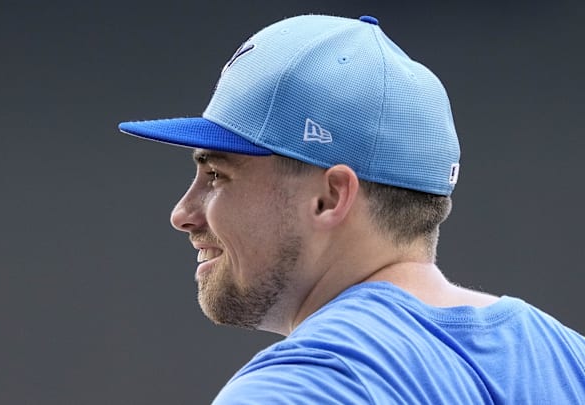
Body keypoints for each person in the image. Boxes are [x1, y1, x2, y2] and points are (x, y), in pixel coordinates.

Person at [118, 14, 585, 404]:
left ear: (330, 197)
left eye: (217, 175)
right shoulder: (568, 360)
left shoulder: (302, 388)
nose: (183, 213)